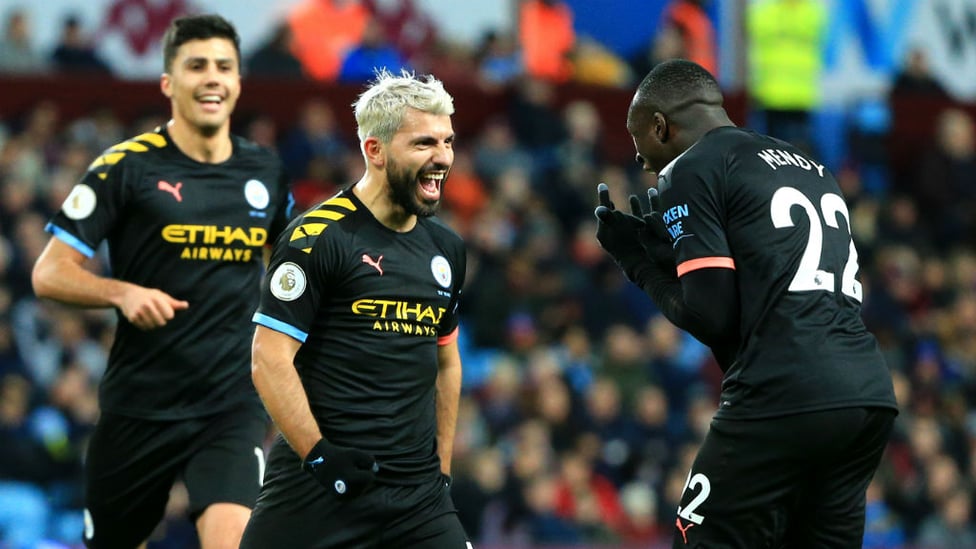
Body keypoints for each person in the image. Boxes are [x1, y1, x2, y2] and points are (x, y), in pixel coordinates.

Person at [594, 59, 897, 547]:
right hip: (865, 394)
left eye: (639, 144)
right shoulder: (811, 166)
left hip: (785, 390)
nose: (642, 162)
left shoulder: (690, 169)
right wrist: (675, 264)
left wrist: (640, 268)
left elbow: (712, 317)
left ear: (660, 126)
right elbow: (762, 303)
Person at [31, 14, 294, 549]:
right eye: (196, 66)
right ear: (169, 83)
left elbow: (292, 274)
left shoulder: (264, 170)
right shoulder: (125, 168)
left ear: (240, 81)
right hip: (141, 404)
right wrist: (120, 292)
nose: (212, 78)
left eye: (224, 66)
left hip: (230, 401)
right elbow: (48, 272)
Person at [240, 70, 470, 548]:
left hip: (418, 502)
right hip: (319, 490)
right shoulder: (318, 238)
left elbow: (446, 361)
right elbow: (269, 357)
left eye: (447, 142)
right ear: (375, 151)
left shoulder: (446, 249)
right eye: (424, 143)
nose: (442, 158)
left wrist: (442, 473)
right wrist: (320, 456)